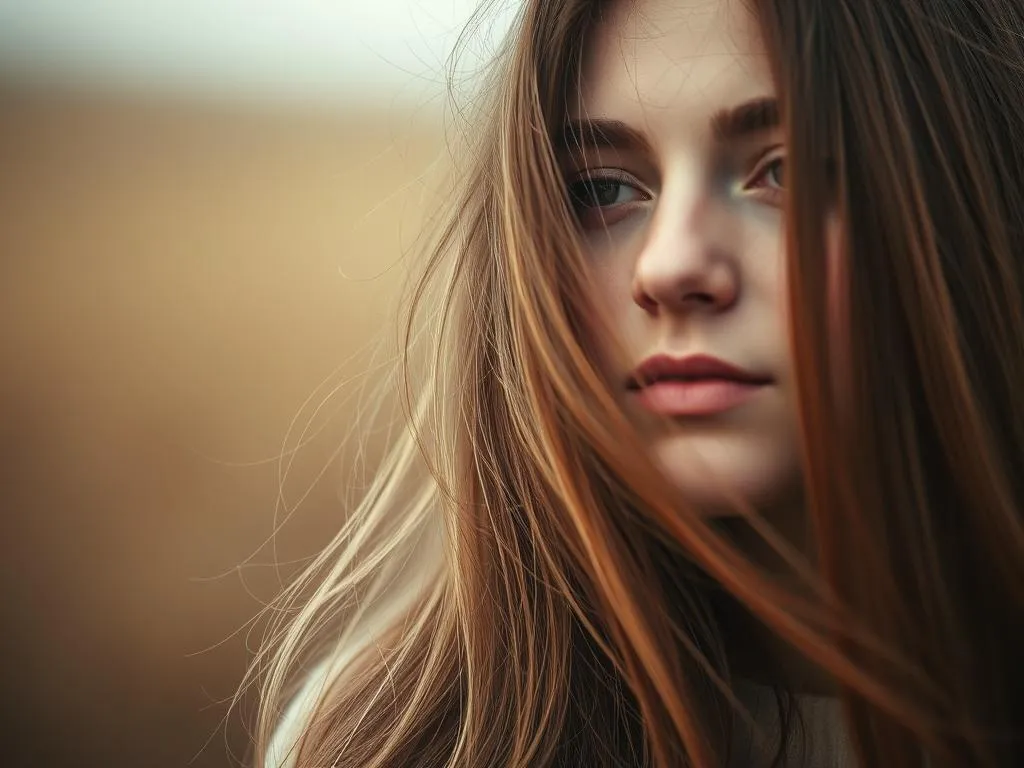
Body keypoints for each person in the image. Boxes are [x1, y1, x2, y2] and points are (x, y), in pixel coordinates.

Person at [246, 0, 1024, 765]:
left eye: (785, 170)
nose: (671, 266)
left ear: (975, 192)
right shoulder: (388, 744)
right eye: (603, 190)